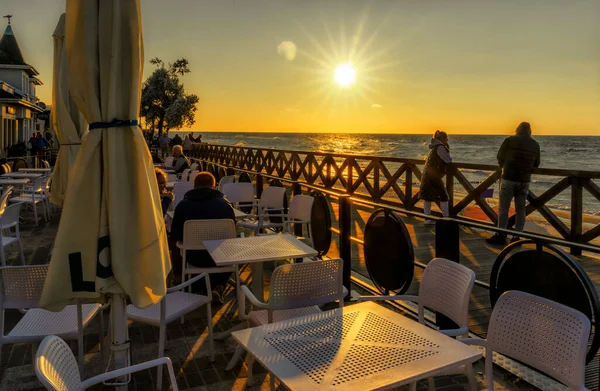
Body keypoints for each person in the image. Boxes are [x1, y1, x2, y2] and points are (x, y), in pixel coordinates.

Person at [170, 172, 235, 301]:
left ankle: (179, 277)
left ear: (194, 186)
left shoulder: (183, 206)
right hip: (221, 257)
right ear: (214, 186)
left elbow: (175, 235)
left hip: (194, 257)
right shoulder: (225, 205)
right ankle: (219, 285)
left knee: (174, 242)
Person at [487, 122, 540, 245]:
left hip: (509, 178)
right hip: (524, 180)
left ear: (517, 130)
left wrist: (503, 167)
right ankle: (517, 237)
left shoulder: (510, 140)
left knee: (504, 208)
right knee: (521, 209)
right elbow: (537, 163)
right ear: (529, 131)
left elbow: (500, 156)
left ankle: (501, 235)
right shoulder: (535, 144)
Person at [417, 130, 452, 225]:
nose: (447, 140)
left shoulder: (433, 147)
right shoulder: (440, 147)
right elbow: (447, 160)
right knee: (443, 195)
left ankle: (427, 219)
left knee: (427, 196)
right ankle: (446, 218)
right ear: (443, 139)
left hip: (427, 173)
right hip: (433, 174)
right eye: (446, 139)